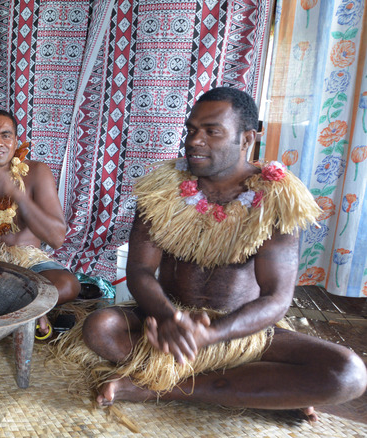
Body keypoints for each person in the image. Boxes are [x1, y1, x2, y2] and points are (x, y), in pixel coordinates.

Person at [69, 87, 366, 420]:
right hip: (169, 322)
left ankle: (156, 388)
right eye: (192, 130)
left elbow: (276, 299)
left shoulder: (277, 200)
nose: (195, 140)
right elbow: (139, 269)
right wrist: (169, 317)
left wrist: (212, 335)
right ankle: (260, 390)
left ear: (246, 139)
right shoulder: (161, 189)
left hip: (242, 331)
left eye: (212, 131)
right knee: (100, 327)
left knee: (349, 373)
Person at [0, 109, 81, 337]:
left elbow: (56, 238)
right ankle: (30, 307)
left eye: (6, 135)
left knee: (68, 285)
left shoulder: (37, 172)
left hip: (30, 263)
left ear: (16, 141)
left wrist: (16, 194)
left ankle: (13, 305)